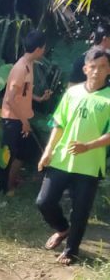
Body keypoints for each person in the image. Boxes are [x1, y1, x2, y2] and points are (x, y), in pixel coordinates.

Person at [36, 46, 110, 266]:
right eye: (93, 67)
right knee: (44, 201)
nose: (97, 71)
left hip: (89, 165)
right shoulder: (72, 93)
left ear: (109, 70)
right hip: (61, 159)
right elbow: (59, 124)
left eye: (103, 66)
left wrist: (88, 146)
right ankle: (62, 228)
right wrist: (48, 152)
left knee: (80, 210)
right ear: (85, 68)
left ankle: (71, 251)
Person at [0, 29, 53, 196]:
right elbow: (9, 100)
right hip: (13, 119)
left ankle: (12, 182)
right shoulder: (21, 68)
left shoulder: (30, 65)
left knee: (24, 152)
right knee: (7, 156)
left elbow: (24, 91)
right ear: (38, 49)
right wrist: (24, 121)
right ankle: (1, 189)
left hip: (21, 118)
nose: (44, 50)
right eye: (43, 48)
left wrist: (39, 98)